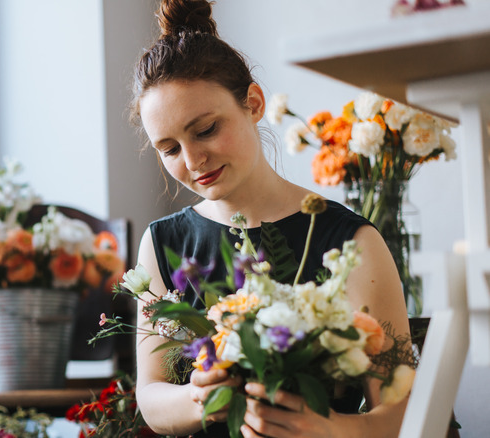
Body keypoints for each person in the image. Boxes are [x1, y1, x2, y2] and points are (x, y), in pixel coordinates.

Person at [131, 1, 411, 437]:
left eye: (205, 129)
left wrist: (332, 429)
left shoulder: (351, 240)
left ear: (254, 103)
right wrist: (198, 396)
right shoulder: (162, 243)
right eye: (169, 148)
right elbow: (150, 396)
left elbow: (403, 414)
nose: (193, 159)